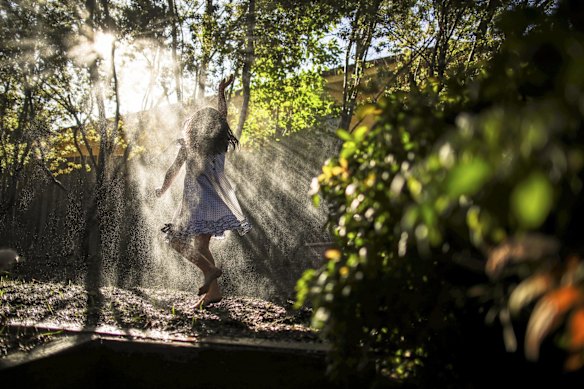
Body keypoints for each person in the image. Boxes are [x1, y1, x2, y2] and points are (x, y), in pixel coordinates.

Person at [155, 75, 251, 307]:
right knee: (201, 245)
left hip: (195, 203)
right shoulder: (220, 146)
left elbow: (172, 171)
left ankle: (209, 270)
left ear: (193, 127)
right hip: (214, 203)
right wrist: (221, 92)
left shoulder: (190, 146)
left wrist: (162, 189)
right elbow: (223, 116)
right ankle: (214, 293)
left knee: (175, 241)